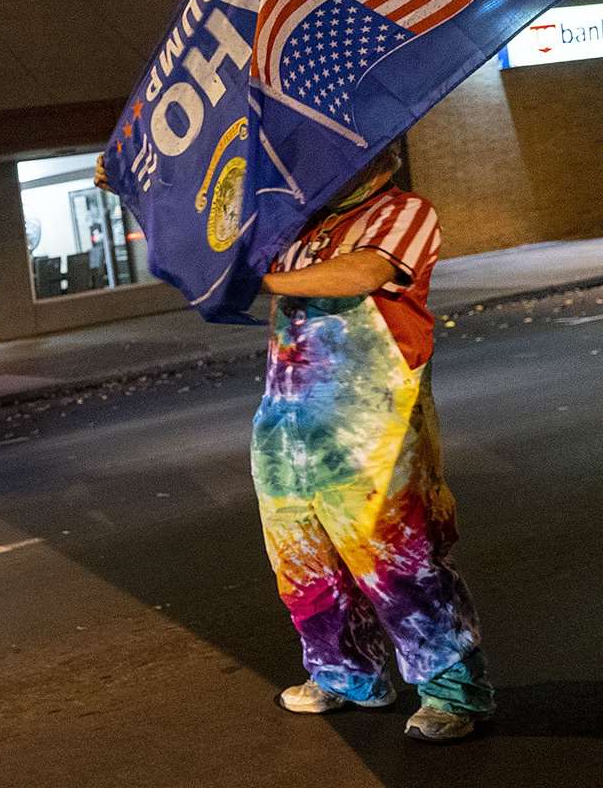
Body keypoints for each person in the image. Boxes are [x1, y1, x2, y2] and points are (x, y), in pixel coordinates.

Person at [95, 145, 493, 742]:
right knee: (303, 561)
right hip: (287, 421)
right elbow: (206, 243)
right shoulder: (296, 223)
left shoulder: (404, 211)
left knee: (398, 561)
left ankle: (453, 693)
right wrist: (136, 190)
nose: (326, 168)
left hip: (372, 425)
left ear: (380, 160)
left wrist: (264, 277)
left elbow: (363, 274)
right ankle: (344, 675)